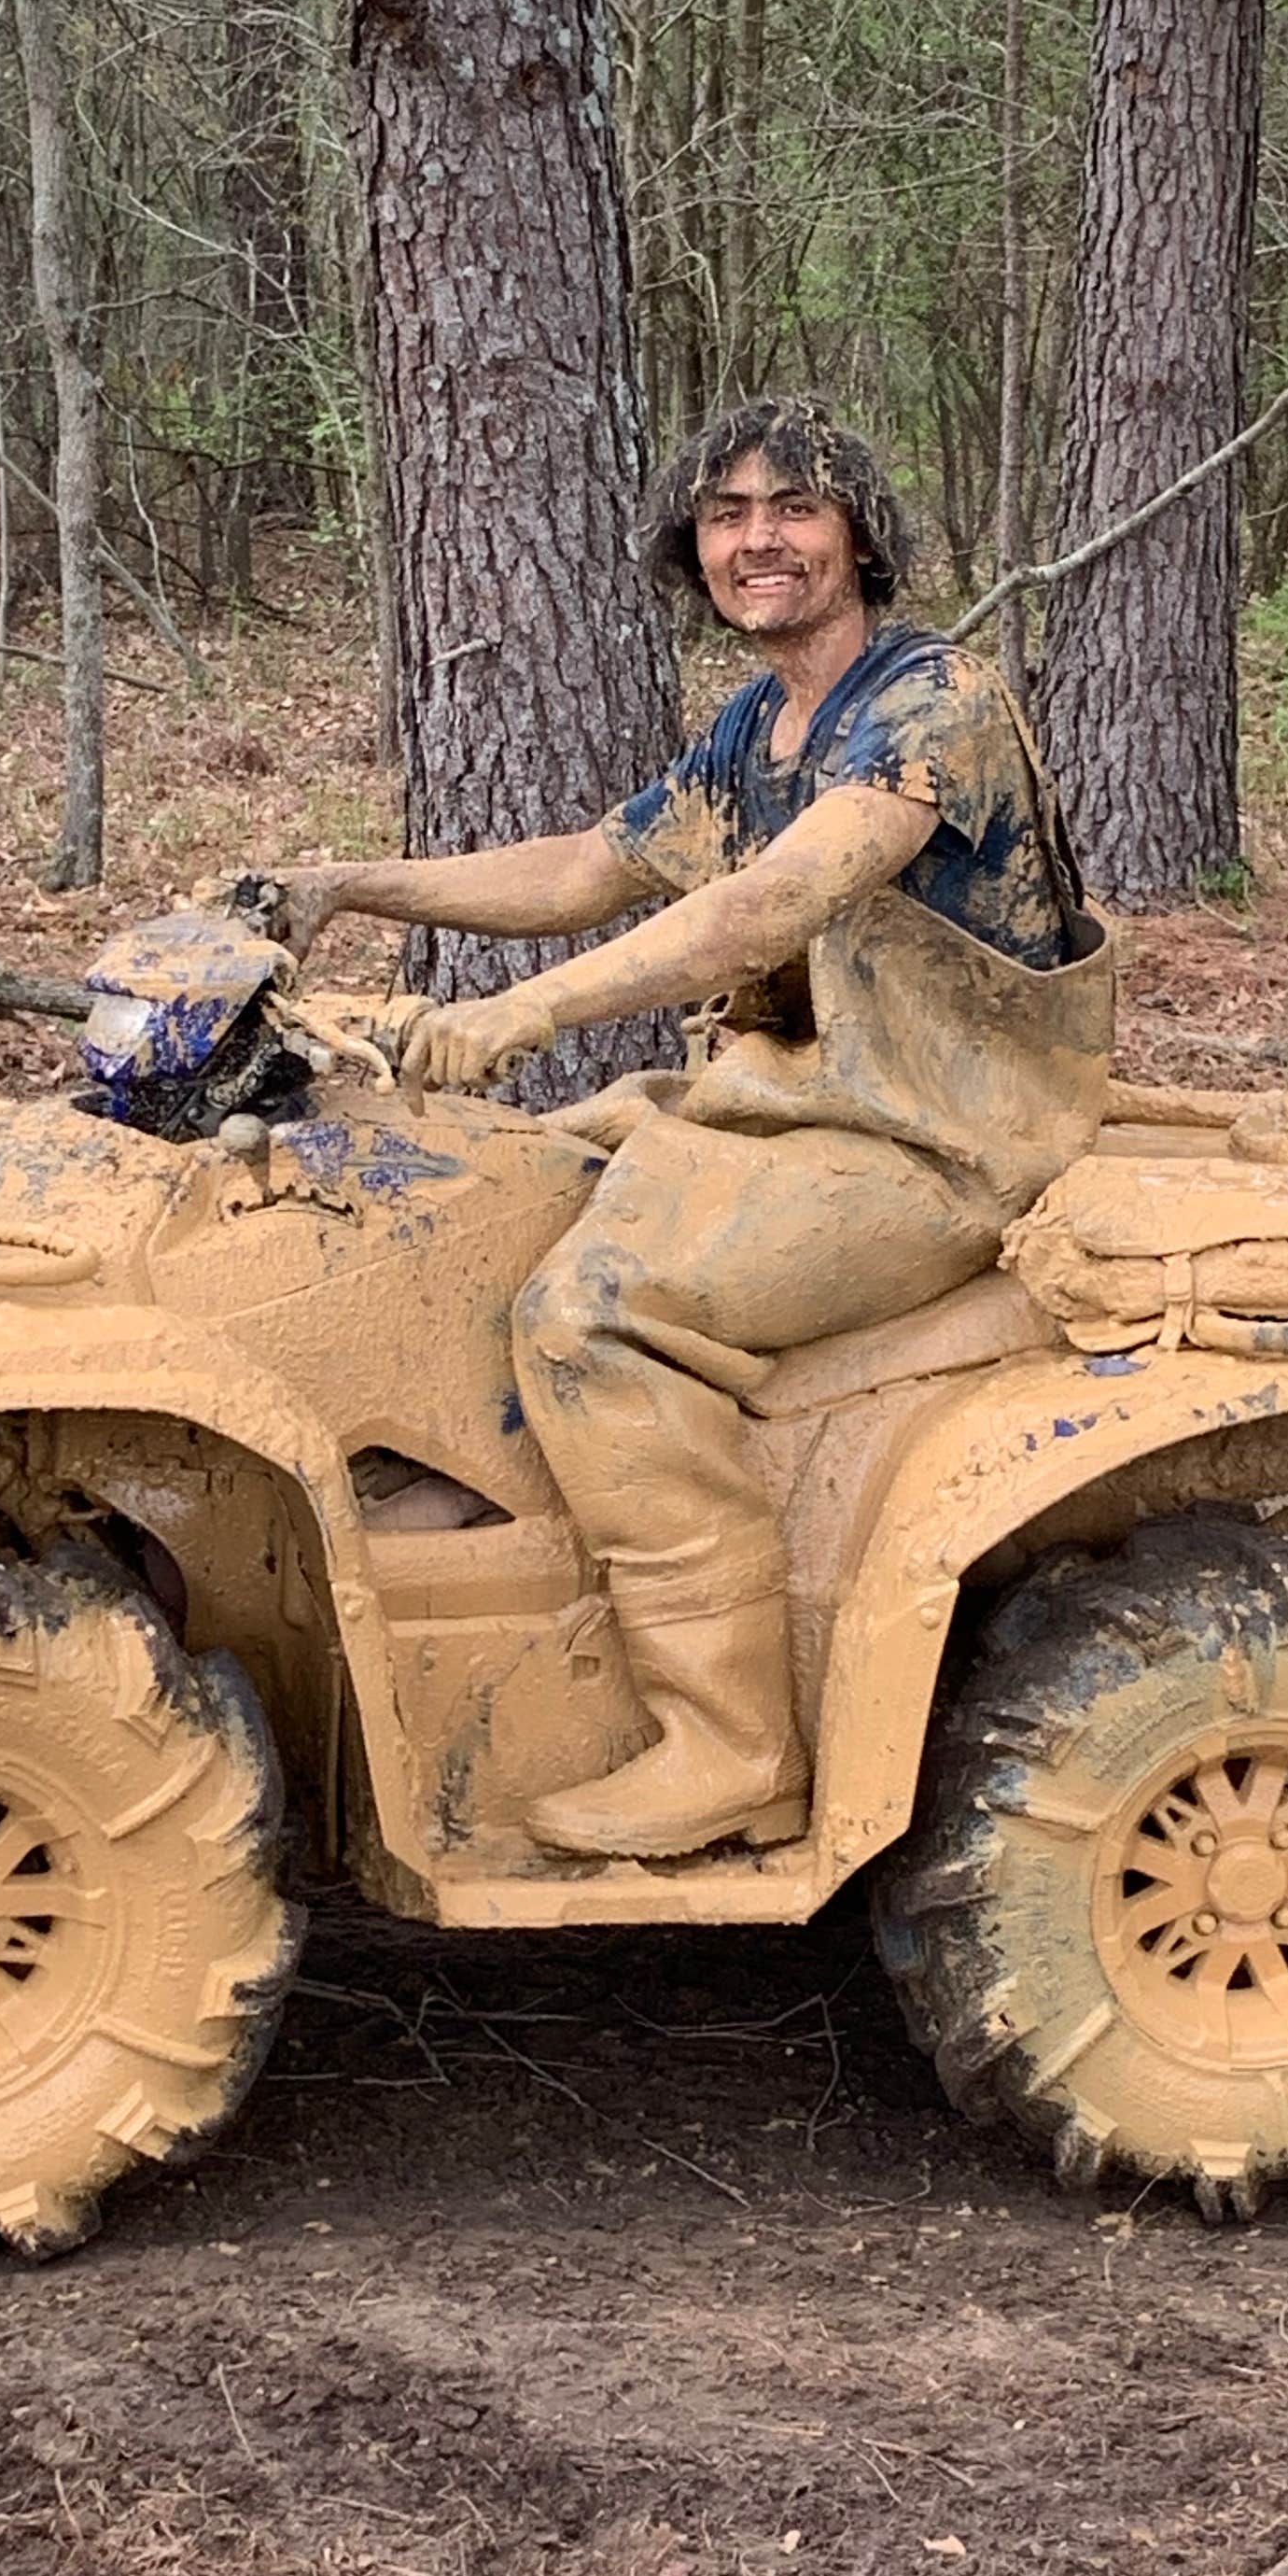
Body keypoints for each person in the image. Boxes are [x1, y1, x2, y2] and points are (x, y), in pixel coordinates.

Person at [259, 396, 1110, 1862]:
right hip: (791, 1109)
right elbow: (596, 863)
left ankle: (729, 1747)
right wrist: (352, 883)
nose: (758, 540)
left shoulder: (933, 706)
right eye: (728, 514)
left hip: (934, 1147)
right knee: (501, 1183)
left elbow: (763, 906)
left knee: (598, 1309)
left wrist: (523, 1018)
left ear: (857, 535)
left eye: (793, 509)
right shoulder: (758, 726)